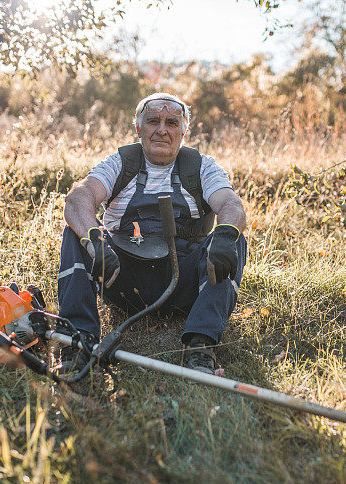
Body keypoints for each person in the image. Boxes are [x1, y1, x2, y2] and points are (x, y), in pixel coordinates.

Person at [57, 92, 247, 374]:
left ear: (184, 131)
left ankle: (200, 346)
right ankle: (78, 341)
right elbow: (78, 198)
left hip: (183, 283)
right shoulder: (120, 163)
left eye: (172, 122)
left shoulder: (202, 167)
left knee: (234, 239)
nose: (162, 130)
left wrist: (225, 234)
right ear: (138, 128)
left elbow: (231, 204)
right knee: (75, 233)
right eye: (153, 121)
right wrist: (94, 240)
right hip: (120, 276)